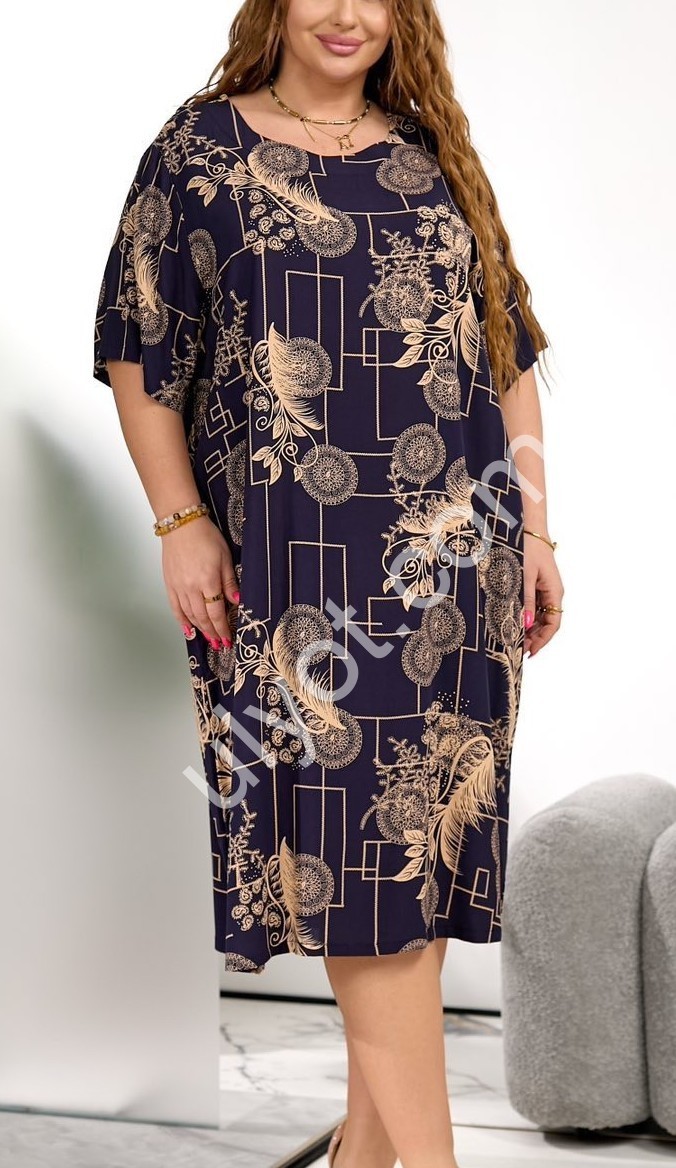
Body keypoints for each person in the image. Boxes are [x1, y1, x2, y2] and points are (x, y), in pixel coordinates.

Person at [93, 1, 563, 1164]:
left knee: (412, 871)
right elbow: (138, 349)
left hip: (458, 576)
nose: (348, 14)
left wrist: (538, 532)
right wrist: (180, 523)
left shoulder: (430, 152)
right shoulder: (201, 149)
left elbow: (505, 353)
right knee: (364, 876)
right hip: (305, 584)